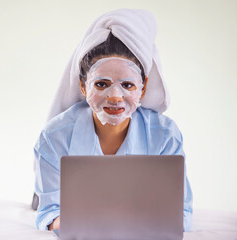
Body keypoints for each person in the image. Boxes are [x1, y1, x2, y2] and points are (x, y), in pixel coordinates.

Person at [34, 9, 193, 232]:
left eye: (127, 85)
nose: (115, 97)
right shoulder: (54, 137)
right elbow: (49, 213)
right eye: (101, 84)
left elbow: (181, 213)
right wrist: (91, 226)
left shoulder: (165, 135)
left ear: (143, 87)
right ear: (83, 85)